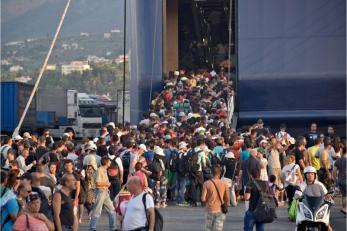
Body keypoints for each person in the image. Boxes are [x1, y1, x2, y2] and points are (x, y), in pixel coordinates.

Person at [89, 156, 117, 231]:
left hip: (104, 192)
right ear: (106, 162)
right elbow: (97, 183)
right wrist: (106, 184)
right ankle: (92, 228)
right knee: (97, 211)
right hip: (100, 191)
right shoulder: (100, 170)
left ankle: (113, 228)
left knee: (112, 210)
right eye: (109, 161)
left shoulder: (104, 170)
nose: (110, 162)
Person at [201, 164, 229, 231]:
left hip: (210, 208)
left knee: (208, 228)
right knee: (218, 228)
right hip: (220, 209)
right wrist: (226, 206)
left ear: (211, 173)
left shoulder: (206, 183)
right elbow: (227, 198)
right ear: (220, 173)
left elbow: (203, 198)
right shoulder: (224, 184)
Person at [333, 146, 346, 215]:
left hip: (340, 180)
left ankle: (344, 208)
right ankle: (345, 209)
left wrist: (336, 181)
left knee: (344, 195)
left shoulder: (338, 160)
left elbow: (334, 171)